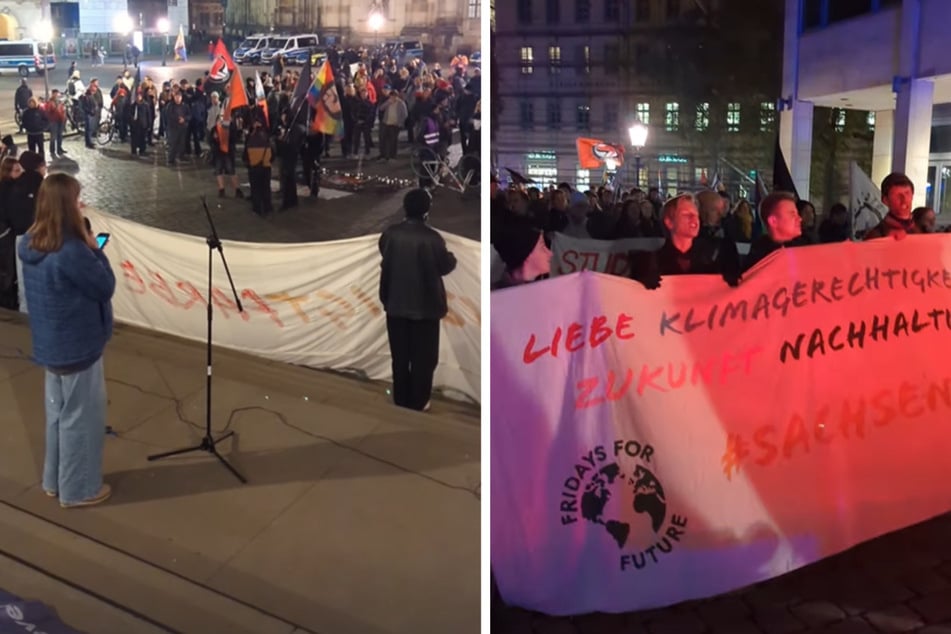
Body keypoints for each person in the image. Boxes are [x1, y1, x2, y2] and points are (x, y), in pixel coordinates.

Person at [17, 172, 115, 508]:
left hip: (50, 344)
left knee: (57, 414)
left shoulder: (28, 242)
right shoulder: (72, 250)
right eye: (75, 199)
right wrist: (93, 247)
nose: (80, 204)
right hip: (78, 345)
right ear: (65, 206)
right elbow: (104, 286)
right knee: (81, 420)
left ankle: (54, 480)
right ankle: (79, 489)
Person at [378, 189, 456, 412]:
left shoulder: (390, 234)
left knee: (400, 356)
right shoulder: (432, 238)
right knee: (424, 359)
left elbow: (385, 253)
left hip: (395, 303)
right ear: (426, 210)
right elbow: (445, 265)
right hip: (426, 307)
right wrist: (451, 257)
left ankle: (401, 398)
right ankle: (419, 401)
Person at [631, 193, 741, 289]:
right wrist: (639, 286)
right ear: (669, 222)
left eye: (696, 215)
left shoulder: (715, 257)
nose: (695, 220)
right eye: (687, 215)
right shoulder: (650, 262)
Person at [742, 191, 808, 273]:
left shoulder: (806, 248)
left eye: (797, 214)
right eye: (792, 214)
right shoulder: (758, 260)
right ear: (773, 221)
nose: (799, 219)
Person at [863, 172, 919, 240]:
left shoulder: (922, 227)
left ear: (912, 196)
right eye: (897, 195)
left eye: (907, 193)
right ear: (885, 200)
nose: (904, 199)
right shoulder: (876, 235)